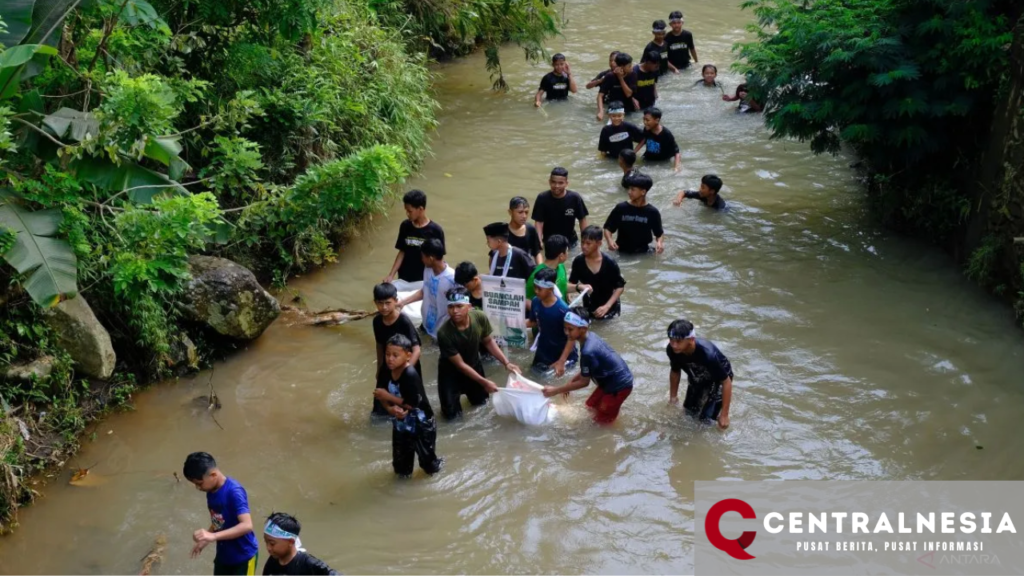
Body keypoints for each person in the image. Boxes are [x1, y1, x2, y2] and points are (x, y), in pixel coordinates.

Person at [436, 287, 520, 419]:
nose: (455, 311)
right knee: (451, 418)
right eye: (451, 307)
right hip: (450, 374)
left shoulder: (479, 317)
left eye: (459, 306)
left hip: (474, 365)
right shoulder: (444, 333)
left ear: (469, 307)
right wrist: (484, 382)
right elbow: (460, 365)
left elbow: (488, 342)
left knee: (481, 406)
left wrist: (506, 362)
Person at [543, 307, 633, 424]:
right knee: (590, 407)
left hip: (619, 386)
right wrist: (568, 384)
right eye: (565, 329)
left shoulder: (588, 351)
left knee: (601, 423)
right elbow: (588, 370)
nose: (566, 333)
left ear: (583, 329)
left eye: (570, 329)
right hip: (608, 380)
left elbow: (584, 382)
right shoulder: (590, 337)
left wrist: (556, 390)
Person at [374, 334, 444, 476]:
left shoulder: (410, 374)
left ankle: (439, 468)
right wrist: (389, 408)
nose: (390, 359)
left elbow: (413, 404)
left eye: (395, 355)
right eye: (387, 354)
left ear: (408, 356)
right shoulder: (386, 369)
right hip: (401, 422)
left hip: (422, 424)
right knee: (401, 467)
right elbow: (379, 392)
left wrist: (388, 397)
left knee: (429, 465)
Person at [183, 452, 259, 575]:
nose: (198, 488)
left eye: (199, 483)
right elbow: (218, 520)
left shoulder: (234, 492)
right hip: (224, 556)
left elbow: (247, 525)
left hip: (243, 557)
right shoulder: (211, 491)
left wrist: (213, 536)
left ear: (213, 475)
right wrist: (205, 540)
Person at [666, 318, 733, 429]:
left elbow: (726, 382)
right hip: (697, 376)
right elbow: (675, 371)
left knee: (705, 421)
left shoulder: (707, 355)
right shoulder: (672, 351)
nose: (674, 345)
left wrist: (724, 415)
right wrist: (673, 397)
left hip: (718, 380)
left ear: (691, 340)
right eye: (671, 340)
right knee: (689, 413)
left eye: (678, 341)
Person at [372, 283, 422, 417]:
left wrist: (404, 373)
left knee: (411, 407)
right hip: (387, 365)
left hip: (407, 366)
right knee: (379, 409)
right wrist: (379, 368)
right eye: (380, 303)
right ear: (375, 303)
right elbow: (380, 345)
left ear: (396, 301)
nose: (384, 307)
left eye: (388, 303)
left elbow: (416, 350)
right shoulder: (377, 321)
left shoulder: (403, 320)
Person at [397, 239, 457, 339]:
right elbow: (424, 291)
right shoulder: (428, 269)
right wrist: (402, 303)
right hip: (426, 323)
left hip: (442, 331)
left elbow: (459, 307)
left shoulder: (453, 278)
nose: (422, 259)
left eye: (423, 256)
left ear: (431, 258)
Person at [384, 190, 445, 283]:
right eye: (406, 210)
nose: (407, 214)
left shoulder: (436, 231)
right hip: (404, 277)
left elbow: (439, 260)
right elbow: (402, 252)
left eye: (410, 211)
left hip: (424, 279)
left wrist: (439, 279)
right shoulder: (405, 226)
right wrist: (391, 275)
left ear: (420, 209)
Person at [568, 225, 626, 320]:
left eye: (588, 243)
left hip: (610, 309)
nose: (584, 246)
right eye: (582, 242)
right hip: (589, 308)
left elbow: (619, 287)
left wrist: (606, 307)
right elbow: (571, 284)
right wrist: (571, 294)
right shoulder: (578, 262)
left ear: (599, 243)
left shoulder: (610, 262)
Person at [527, 268, 577, 373]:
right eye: (535, 287)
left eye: (540, 289)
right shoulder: (536, 302)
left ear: (550, 289)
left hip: (561, 354)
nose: (536, 291)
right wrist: (513, 323)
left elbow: (572, 338)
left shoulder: (563, 310)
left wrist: (562, 361)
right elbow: (534, 322)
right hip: (543, 350)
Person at [603, 172, 664, 255]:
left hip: (644, 253)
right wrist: (610, 241)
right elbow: (608, 228)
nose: (629, 192)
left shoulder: (653, 212)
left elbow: (659, 234)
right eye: (629, 188)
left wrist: (659, 243)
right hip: (621, 251)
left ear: (643, 192)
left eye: (633, 189)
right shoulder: (621, 208)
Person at [261, 513, 338, 575]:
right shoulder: (272, 561)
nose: (268, 548)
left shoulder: (308, 563)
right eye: (266, 542)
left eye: (272, 544)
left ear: (291, 542)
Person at [532, 167, 589, 247]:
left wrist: (585, 241)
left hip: (571, 242)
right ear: (549, 182)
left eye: (560, 183)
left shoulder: (575, 198)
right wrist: (539, 240)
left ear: (566, 183)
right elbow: (539, 222)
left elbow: (582, 219)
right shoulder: (542, 198)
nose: (556, 186)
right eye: (553, 182)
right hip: (549, 242)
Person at [525, 234, 569, 302]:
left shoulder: (561, 266)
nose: (568, 253)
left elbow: (563, 285)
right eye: (567, 251)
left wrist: (578, 287)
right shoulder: (537, 275)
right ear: (561, 256)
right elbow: (526, 300)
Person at [636, 107, 681, 171]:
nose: (645, 122)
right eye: (644, 119)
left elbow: (677, 152)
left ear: (657, 120)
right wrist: (633, 152)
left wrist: (676, 167)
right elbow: (644, 140)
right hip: (647, 159)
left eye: (647, 120)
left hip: (661, 162)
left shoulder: (666, 134)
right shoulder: (647, 129)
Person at [597, 52, 638, 121]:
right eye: (629, 66)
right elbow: (600, 95)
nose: (632, 67)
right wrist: (601, 111)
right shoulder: (610, 76)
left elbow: (628, 94)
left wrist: (620, 78)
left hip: (628, 109)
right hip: (613, 110)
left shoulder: (632, 75)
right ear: (622, 67)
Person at [508, 196, 543, 264]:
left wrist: (540, 270)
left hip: (527, 269)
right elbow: (495, 255)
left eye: (526, 212)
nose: (524, 216)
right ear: (510, 212)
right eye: (520, 212)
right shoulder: (503, 232)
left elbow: (537, 253)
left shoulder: (530, 229)